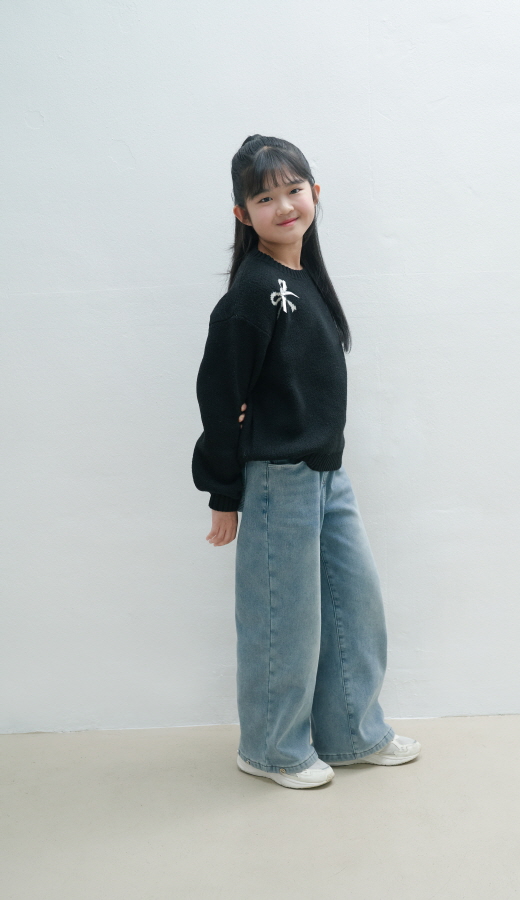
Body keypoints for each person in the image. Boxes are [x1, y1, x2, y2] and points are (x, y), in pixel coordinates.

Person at [192, 134, 420, 789]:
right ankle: (271, 750)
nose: (284, 206)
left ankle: (351, 733)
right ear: (243, 215)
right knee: (283, 622)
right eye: (265, 198)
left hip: (327, 475)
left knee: (355, 606)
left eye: (293, 190)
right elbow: (219, 395)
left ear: (315, 193)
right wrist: (224, 494)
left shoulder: (303, 279)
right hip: (279, 480)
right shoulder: (254, 292)